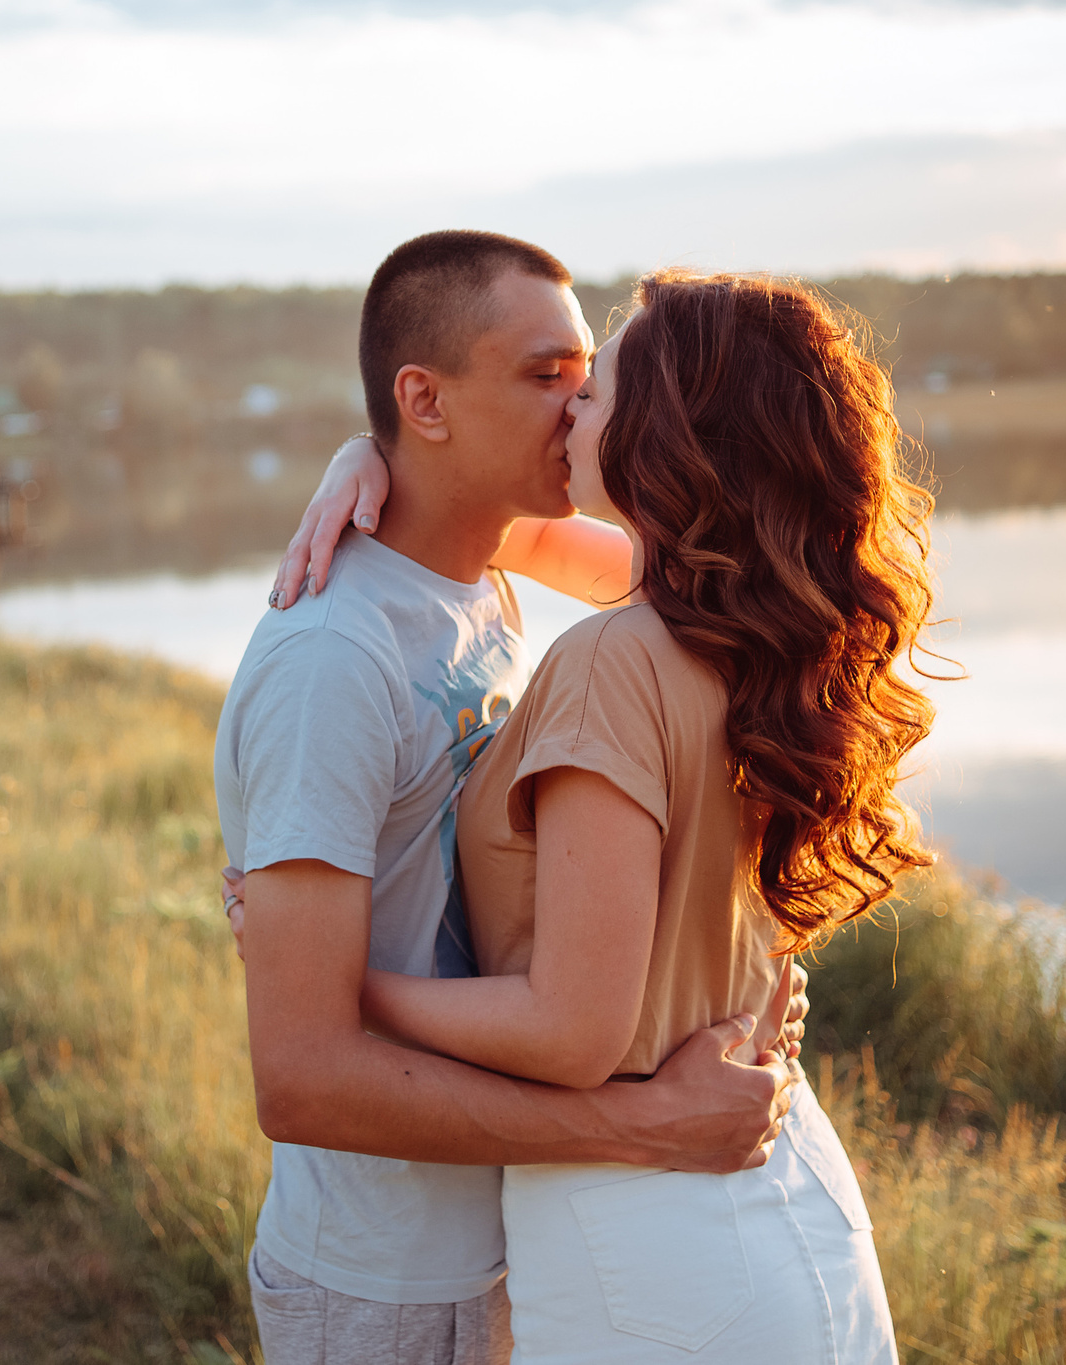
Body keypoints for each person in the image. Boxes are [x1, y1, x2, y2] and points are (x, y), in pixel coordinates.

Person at [271, 269, 936, 1362]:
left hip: (654, 1252)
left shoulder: (608, 665)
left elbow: (570, 1031)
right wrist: (376, 456)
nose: (569, 409)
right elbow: (503, 534)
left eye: (595, 390)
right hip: (789, 1203)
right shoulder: (749, 619)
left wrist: (339, 983)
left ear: (668, 433)